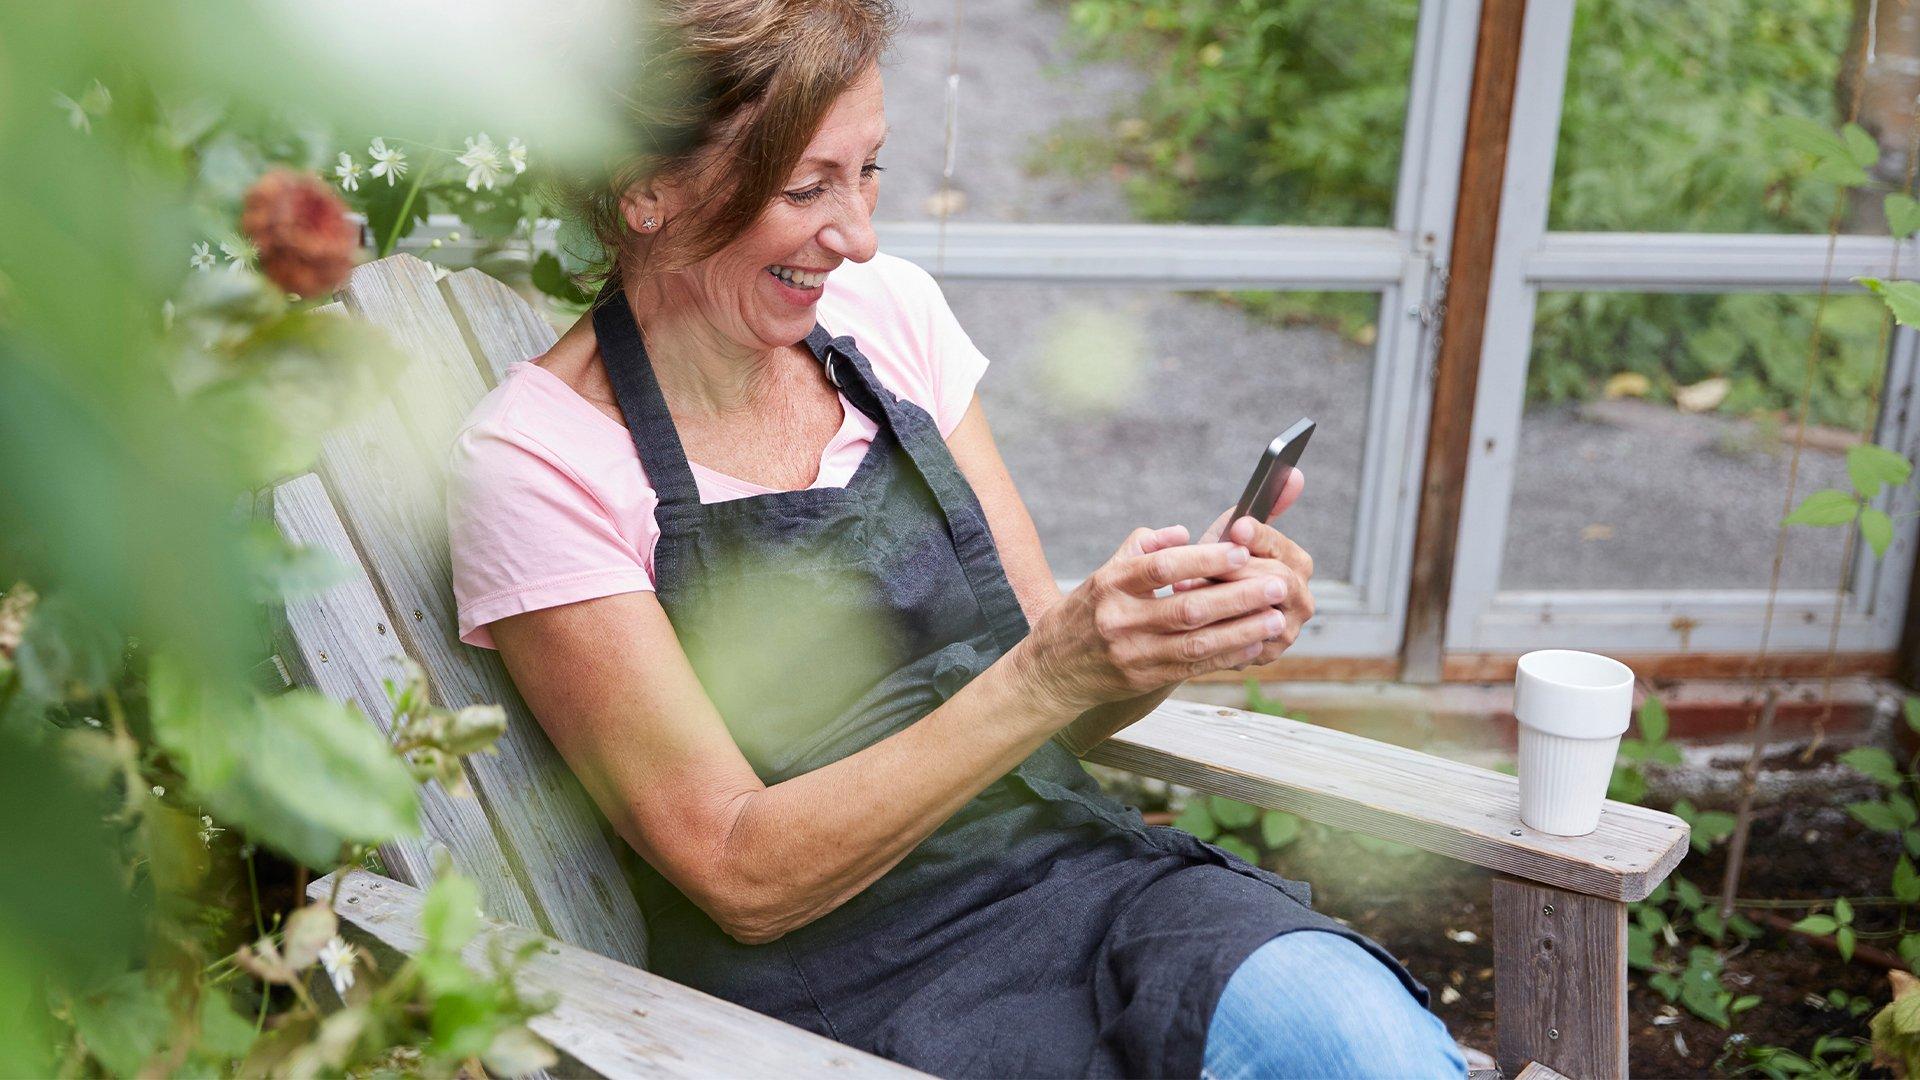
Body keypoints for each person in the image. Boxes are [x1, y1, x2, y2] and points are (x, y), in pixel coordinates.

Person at [446, 2, 1467, 1076]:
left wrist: (1163, 627)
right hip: (832, 991)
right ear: (645, 188)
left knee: (1365, 1046)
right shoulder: (541, 462)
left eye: (869, 171)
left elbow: (1055, 691)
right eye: (806, 189)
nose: (859, 236)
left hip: (1084, 881)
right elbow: (741, 874)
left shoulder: (886, 315)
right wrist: (1049, 671)